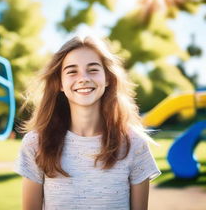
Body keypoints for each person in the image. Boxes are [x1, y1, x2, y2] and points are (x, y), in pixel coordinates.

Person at [14, 36, 161, 210]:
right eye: (72, 71)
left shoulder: (134, 144)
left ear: (107, 79)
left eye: (92, 70)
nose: (83, 78)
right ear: (60, 83)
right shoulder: (36, 144)